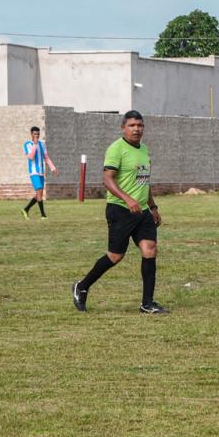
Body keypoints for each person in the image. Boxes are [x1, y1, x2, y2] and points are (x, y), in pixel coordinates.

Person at [71, 111, 166, 314]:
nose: (136, 129)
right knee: (115, 256)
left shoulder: (144, 150)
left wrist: (153, 207)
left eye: (140, 125)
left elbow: (144, 181)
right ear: (123, 127)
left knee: (150, 250)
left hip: (141, 211)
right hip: (120, 209)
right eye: (132, 125)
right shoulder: (116, 149)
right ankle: (82, 286)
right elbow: (107, 179)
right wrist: (127, 199)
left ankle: (147, 303)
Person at [22, 126, 56, 218]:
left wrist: (53, 168)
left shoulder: (42, 144)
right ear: (31, 134)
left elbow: (46, 157)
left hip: (41, 173)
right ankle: (43, 215)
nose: (37, 136)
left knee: (39, 195)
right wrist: (35, 144)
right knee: (40, 193)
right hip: (34, 173)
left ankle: (26, 209)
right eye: (35, 134)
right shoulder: (27, 144)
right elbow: (31, 157)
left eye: (38, 134)